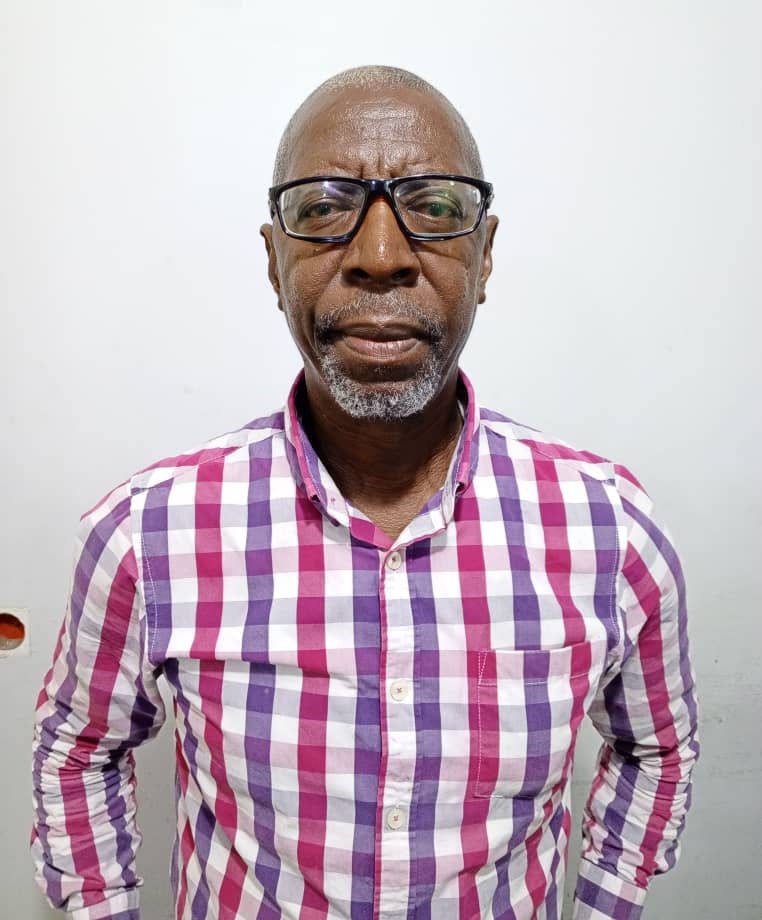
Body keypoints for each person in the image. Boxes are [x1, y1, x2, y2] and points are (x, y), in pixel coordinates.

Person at [32, 65, 698, 920]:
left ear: (485, 255)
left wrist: (606, 904)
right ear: (273, 261)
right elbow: (79, 748)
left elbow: (657, 748)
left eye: (436, 206)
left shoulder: (611, 531)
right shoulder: (147, 534)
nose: (380, 257)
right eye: (322, 208)